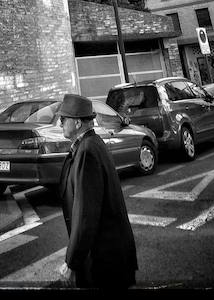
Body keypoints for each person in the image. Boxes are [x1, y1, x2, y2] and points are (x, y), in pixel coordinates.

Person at [57, 93, 137, 290]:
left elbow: (86, 214)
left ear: (77, 123)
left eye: (63, 119)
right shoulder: (90, 145)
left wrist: (71, 262)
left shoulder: (87, 152)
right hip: (109, 255)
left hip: (105, 260)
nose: (60, 124)